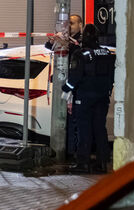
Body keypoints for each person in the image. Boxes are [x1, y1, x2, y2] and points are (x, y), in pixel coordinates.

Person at [65, 24, 115, 174]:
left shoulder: (81, 54)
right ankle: (101, 163)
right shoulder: (106, 53)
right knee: (100, 129)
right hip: (102, 98)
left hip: (84, 98)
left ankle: (83, 163)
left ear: (84, 37)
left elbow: (75, 78)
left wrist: (65, 88)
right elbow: (112, 76)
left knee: (84, 129)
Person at [47, 13, 83, 157]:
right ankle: (66, 152)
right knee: (66, 123)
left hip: (76, 88)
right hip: (65, 86)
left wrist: (66, 44)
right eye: (67, 23)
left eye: (72, 23)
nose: (68, 26)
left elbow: (78, 55)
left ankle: (72, 153)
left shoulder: (82, 41)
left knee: (75, 123)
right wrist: (52, 42)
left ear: (80, 25)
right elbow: (50, 48)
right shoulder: (66, 39)